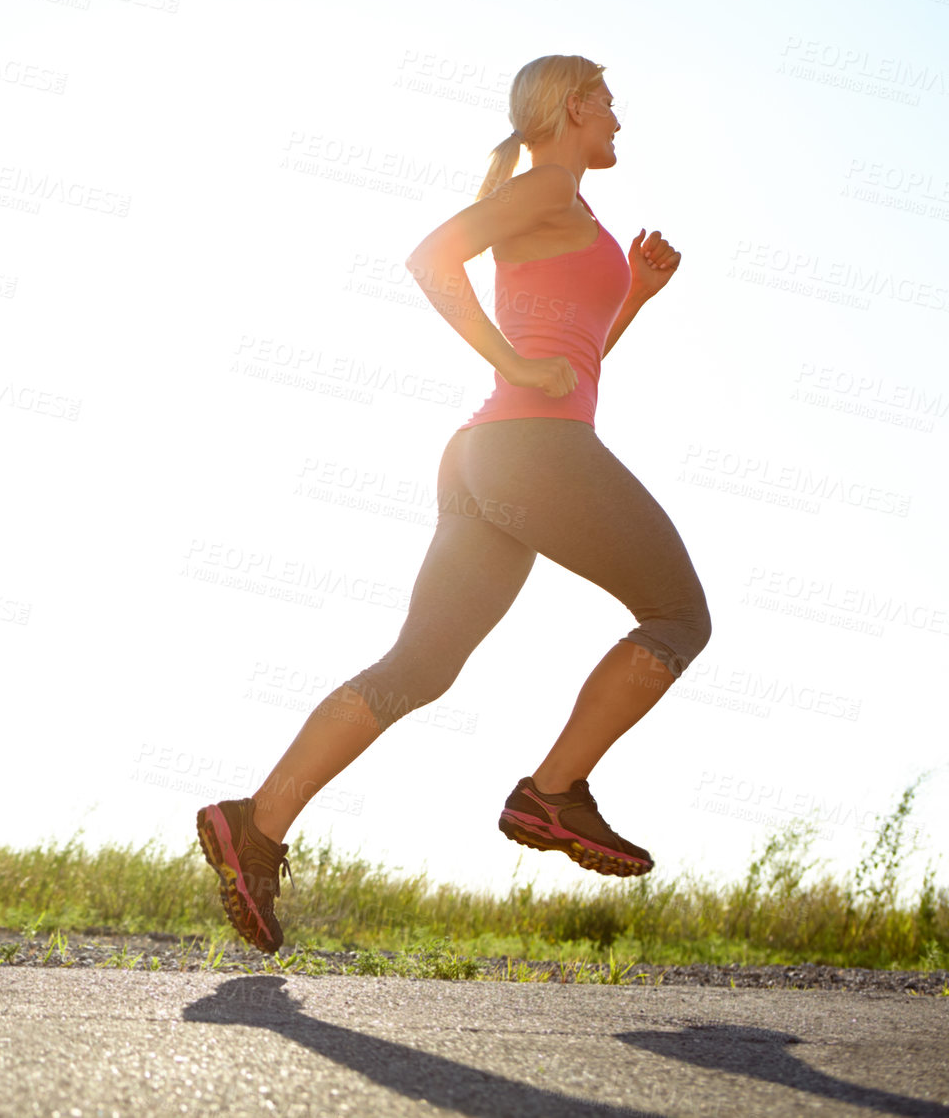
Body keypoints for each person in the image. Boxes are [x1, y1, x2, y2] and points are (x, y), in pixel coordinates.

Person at [196, 54, 712, 955]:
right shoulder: (548, 185)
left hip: (488, 458)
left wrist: (634, 295)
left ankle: (258, 824)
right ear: (574, 105)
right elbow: (432, 258)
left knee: (420, 665)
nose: (620, 122)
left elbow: (575, 359)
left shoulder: (568, 206)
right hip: (527, 449)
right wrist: (511, 365)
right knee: (677, 615)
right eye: (610, 104)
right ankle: (552, 793)